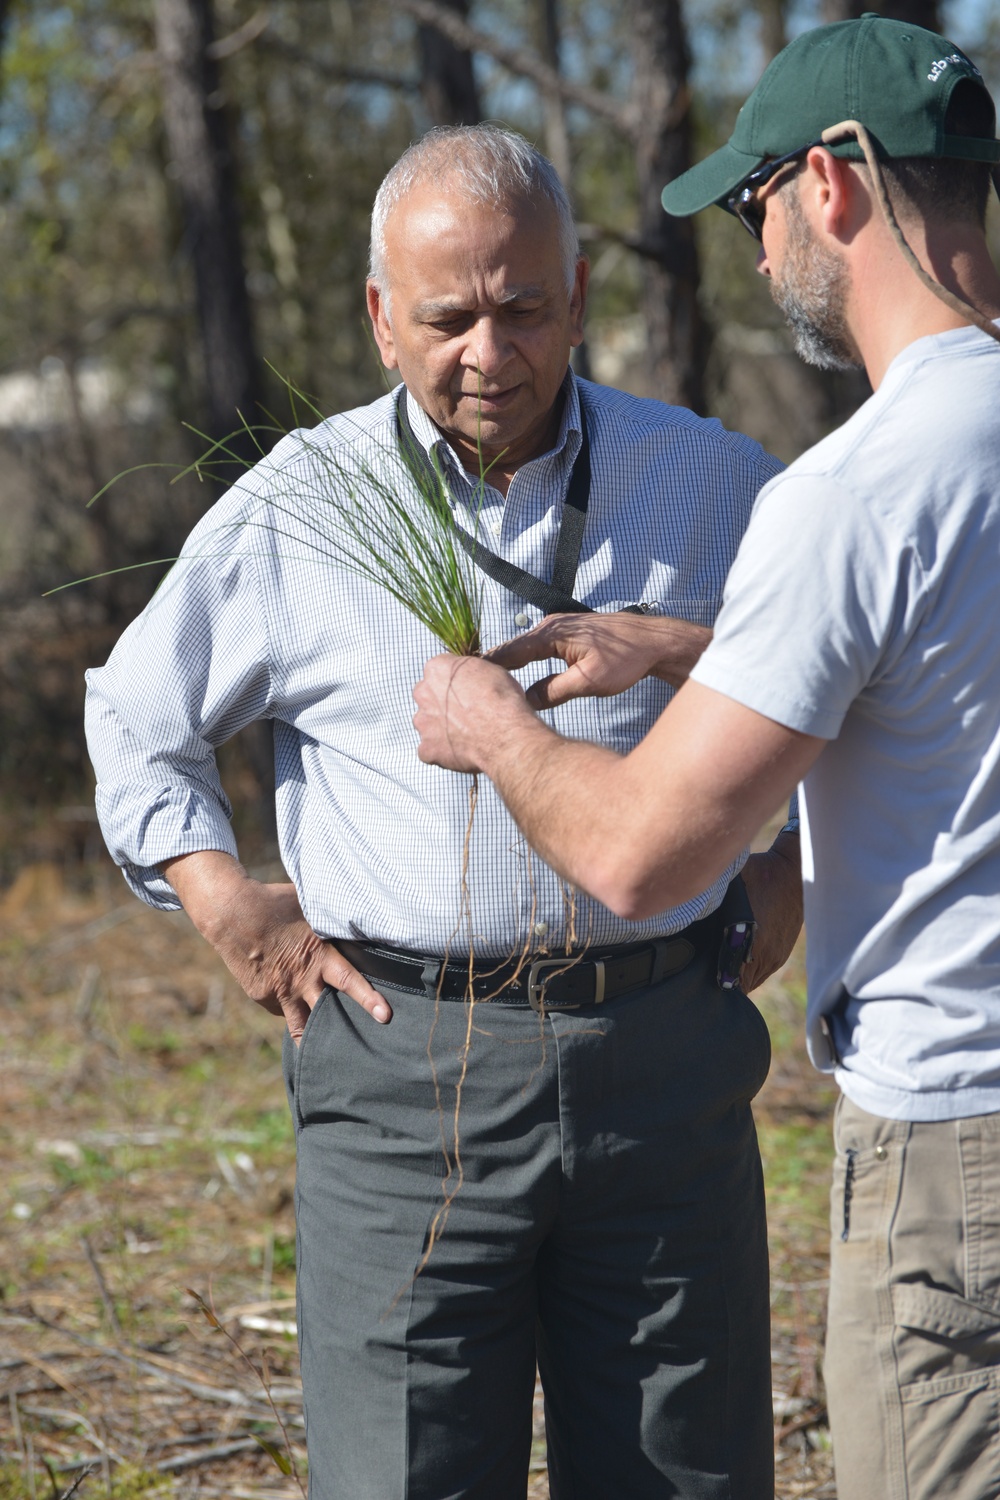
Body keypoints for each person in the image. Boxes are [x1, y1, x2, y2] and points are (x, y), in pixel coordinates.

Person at [86, 124, 800, 1500]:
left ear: (580, 293)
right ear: (377, 316)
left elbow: (852, 697)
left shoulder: (716, 484)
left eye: (525, 307)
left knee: (686, 1477)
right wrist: (226, 905)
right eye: (449, 316)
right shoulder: (304, 499)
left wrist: (794, 880)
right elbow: (133, 711)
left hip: (661, 1062)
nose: (491, 349)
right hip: (398, 1076)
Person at [413, 20, 1000, 1500]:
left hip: (956, 1166)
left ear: (833, 186)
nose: (753, 256)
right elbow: (940, 667)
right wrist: (690, 646)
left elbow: (639, 853)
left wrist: (488, 725)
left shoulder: (855, 494)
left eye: (754, 209)